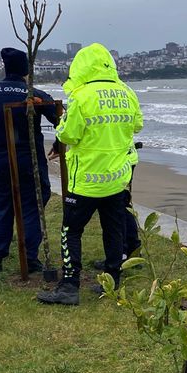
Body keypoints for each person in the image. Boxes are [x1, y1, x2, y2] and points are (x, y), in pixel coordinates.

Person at [38, 42, 142, 305]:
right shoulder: (126, 92)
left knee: (71, 231)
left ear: (81, 67)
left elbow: (69, 135)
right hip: (116, 177)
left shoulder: (81, 96)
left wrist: (62, 126)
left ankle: (69, 285)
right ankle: (112, 279)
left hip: (85, 179)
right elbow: (137, 125)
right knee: (114, 229)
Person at [0, 47, 56, 274]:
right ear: (26, 70)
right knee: (33, 206)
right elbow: (61, 118)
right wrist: (59, 143)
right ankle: (30, 257)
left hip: (0, 159)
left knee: (0, 206)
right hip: (30, 160)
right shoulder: (33, 94)